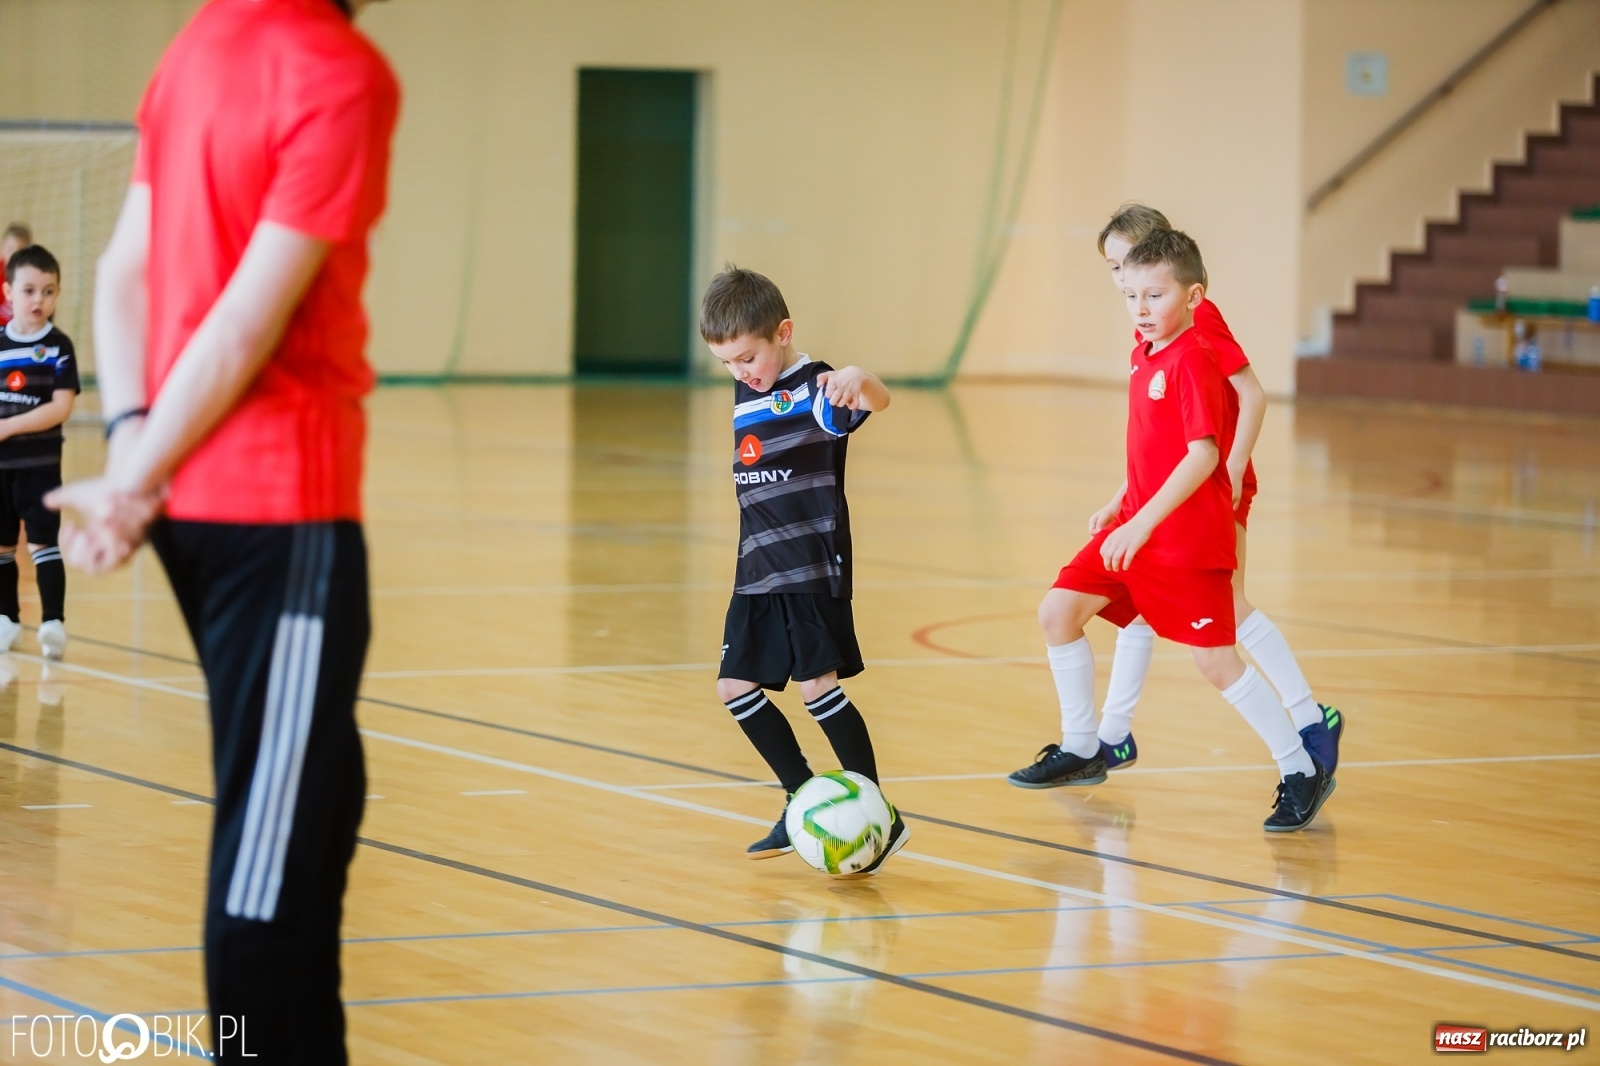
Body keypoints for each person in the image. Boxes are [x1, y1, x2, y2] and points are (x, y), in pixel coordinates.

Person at [47, 0, 398, 1060]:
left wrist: (133, 447)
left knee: (322, 794)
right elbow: (242, 321)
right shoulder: (340, 70)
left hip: (201, 507)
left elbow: (123, 274)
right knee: (268, 861)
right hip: (280, 510)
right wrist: (128, 481)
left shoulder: (196, 44)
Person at [1008, 229, 1335, 832]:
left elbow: (1202, 455)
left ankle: (1300, 768)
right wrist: (1119, 505)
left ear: (1193, 296)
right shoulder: (1143, 354)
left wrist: (1143, 523)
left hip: (1184, 538)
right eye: (1131, 295)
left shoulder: (1193, 359)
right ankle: (1083, 746)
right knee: (1057, 612)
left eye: (1154, 296)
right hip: (1138, 525)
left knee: (1216, 664)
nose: (1140, 308)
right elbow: (1149, 452)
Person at [1083, 204, 1343, 776]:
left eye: (1125, 260)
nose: (1122, 277)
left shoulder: (1198, 318)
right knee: (1142, 604)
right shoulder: (1147, 330)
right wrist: (1124, 497)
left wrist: (1232, 466)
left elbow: (1252, 395)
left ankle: (1308, 716)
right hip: (1176, 482)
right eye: (1112, 268)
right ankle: (1113, 734)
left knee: (1228, 605)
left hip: (1213, 479)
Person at [701, 265, 909, 869]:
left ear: (783, 332)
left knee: (819, 687)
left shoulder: (819, 390)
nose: (740, 373)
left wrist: (860, 378)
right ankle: (799, 800)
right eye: (727, 364)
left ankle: (879, 812)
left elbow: (877, 401)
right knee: (734, 688)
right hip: (756, 569)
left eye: (747, 358)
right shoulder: (750, 388)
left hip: (808, 567)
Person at [0, 244, 77, 659]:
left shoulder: (59, 346)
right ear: (9, 292)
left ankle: (53, 624)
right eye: (29, 291)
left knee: (44, 544)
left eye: (48, 291)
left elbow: (61, 406)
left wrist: (8, 426)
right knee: (2, 548)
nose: (38, 300)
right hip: (1, 470)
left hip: (41, 468)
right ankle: (6, 620)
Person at [0, 223, 34, 327]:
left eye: (19, 251)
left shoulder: (33, 277)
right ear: (2, 249)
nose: (14, 255)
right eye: (10, 249)